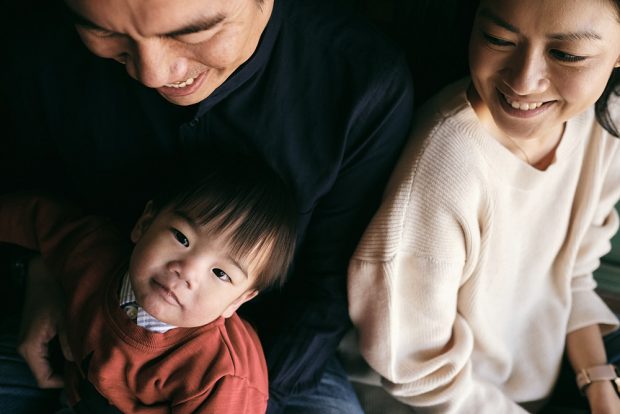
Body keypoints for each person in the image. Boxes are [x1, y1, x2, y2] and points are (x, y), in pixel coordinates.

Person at [0, 0, 414, 412]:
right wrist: (39, 270)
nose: (152, 74)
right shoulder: (37, 35)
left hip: (263, 365)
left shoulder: (361, 83)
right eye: (107, 33)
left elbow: (329, 290)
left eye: (192, 33)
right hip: (72, 308)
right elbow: (32, 198)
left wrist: (231, 396)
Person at [348, 0, 620, 412]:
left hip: (528, 392)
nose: (525, 81)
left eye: (566, 55)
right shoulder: (446, 165)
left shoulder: (601, 122)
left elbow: (574, 275)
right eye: (498, 39)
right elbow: (418, 371)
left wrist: (598, 384)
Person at [0, 154, 297, 413]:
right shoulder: (93, 253)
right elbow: (34, 216)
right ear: (144, 224)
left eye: (221, 273)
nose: (186, 271)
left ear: (238, 301)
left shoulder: (222, 375)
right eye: (182, 238)